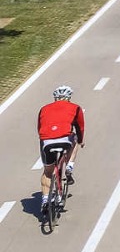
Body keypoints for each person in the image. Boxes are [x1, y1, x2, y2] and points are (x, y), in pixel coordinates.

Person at [38, 85, 85, 213]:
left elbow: (39, 128)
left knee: (47, 172)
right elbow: (80, 127)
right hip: (64, 140)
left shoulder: (43, 109)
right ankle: (69, 166)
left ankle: (45, 200)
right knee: (75, 139)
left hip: (46, 141)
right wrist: (80, 141)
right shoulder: (75, 107)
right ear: (69, 98)